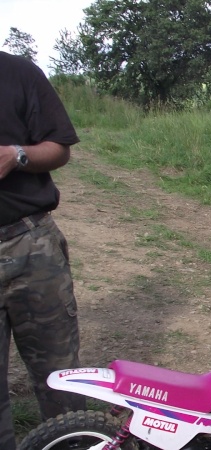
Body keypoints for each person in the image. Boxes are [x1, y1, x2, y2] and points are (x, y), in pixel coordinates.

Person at [0, 51, 86, 449]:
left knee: (60, 374)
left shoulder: (16, 72)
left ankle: (70, 440)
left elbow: (59, 147)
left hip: (30, 244)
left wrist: (17, 155)